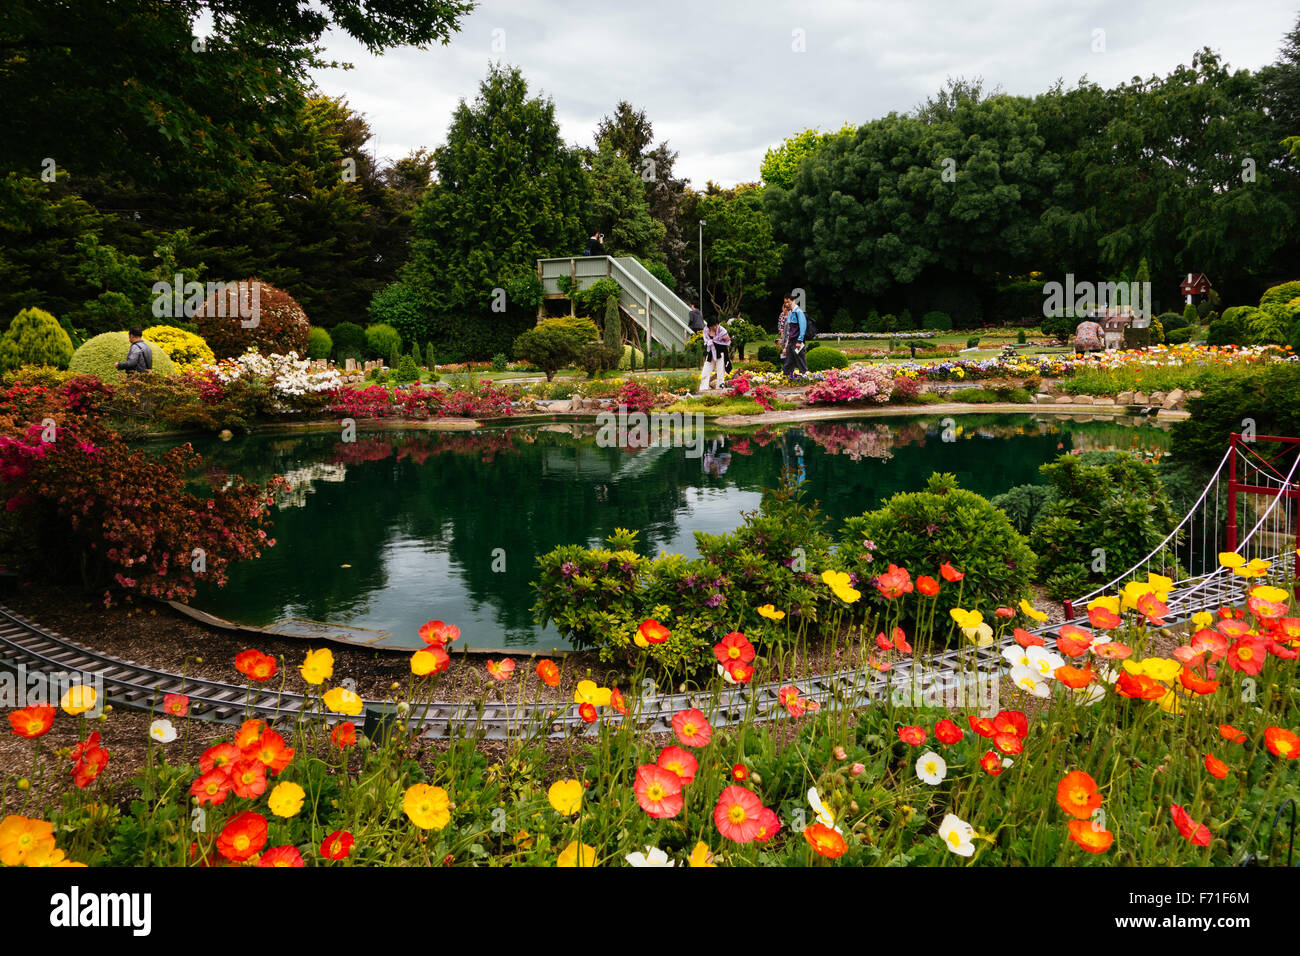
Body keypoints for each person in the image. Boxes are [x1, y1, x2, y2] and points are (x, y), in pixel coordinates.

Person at [698, 318, 731, 391]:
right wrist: (711, 342)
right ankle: (703, 388)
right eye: (714, 325)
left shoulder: (722, 330)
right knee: (706, 370)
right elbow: (706, 341)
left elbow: (728, 341)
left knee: (720, 371)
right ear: (710, 326)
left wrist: (718, 343)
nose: (716, 327)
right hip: (711, 352)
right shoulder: (706, 331)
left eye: (717, 325)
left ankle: (720, 387)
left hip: (721, 352)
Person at [781, 294, 808, 378]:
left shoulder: (798, 312)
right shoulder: (790, 313)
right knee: (788, 361)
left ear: (792, 301)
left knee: (800, 360)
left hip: (797, 341)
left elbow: (803, 328)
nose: (786, 304)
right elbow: (790, 331)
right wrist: (786, 346)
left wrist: (800, 341)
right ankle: (786, 377)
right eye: (785, 303)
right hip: (791, 341)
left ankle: (806, 376)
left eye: (788, 302)